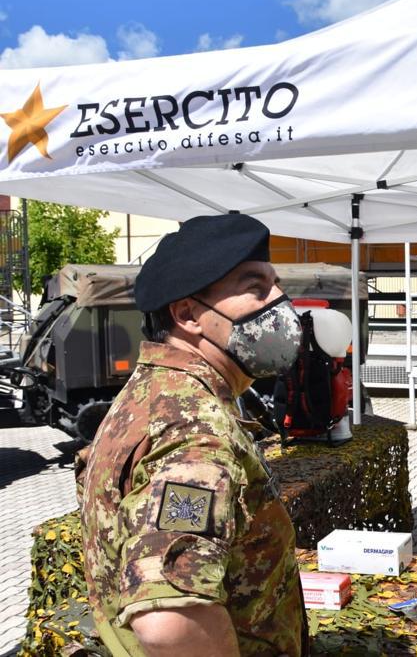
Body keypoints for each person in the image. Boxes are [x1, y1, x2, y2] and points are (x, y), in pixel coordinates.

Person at [78, 214, 308, 657]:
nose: (280, 301)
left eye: (276, 285)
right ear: (188, 315)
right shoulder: (193, 426)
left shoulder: (154, 391)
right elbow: (169, 621)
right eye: (255, 287)